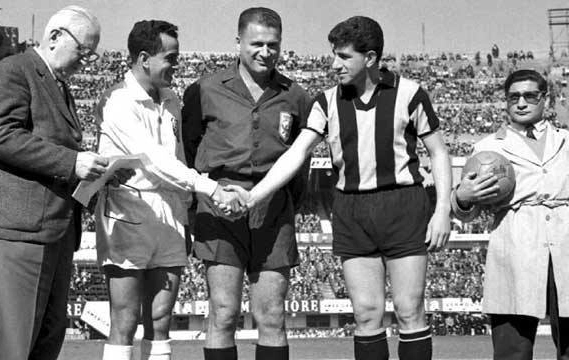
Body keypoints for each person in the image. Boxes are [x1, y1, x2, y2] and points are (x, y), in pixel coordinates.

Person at [239, 16, 451, 360]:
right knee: (366, 314)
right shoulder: (326, 102)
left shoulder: (410, 94)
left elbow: (439, 152)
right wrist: (253, 196)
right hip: (351, 209)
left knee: (409, 310)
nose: (334, 64)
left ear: (369, 58)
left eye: (343, 56)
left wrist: (442, 211)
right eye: (333, 54)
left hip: (403, 204)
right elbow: (297, 154)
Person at [0, 6, 109, 360]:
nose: (87, 62)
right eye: (83, 51)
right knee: (9, 346)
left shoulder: (59, 85)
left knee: (45, 341)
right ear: (55, 37)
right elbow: (0, 135)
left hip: (53, 230)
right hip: (15, 229)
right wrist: (72, 162)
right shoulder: (13, 71)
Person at [95, 20, 239, 360]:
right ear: (144, 58)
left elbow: (179, 157)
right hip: (129, 211)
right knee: (125, 320)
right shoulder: (117, 100)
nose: (177, 65)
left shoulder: (172, 99)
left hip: (170, 213)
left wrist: (190, 205)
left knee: (160, 319)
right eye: (170, 58)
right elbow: (154, 160)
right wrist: (211, 189)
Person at [181, 7, 312, 360]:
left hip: (272, 212)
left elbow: (300, 163)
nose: (265, 52)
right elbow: (189, 149)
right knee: (222, 313)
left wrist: (281, 203)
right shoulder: (204, 90)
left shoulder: (296, 96)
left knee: (272, 316)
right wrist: (208, 196)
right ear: (238, 42)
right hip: (220, 209)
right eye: (257, 43)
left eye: (273, 45)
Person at [451, 69, 569, 360]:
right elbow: (467, 211)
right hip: (515, 243)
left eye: (530, 95)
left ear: (547, 100)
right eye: (513, 96)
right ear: (505, 102)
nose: (521, 102)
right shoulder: (487, 148)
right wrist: (462, 198)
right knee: (512, 349)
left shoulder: (566, 140)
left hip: (565, 242)